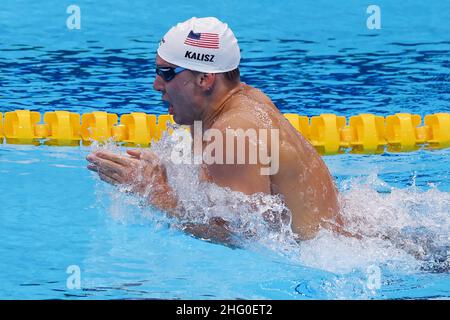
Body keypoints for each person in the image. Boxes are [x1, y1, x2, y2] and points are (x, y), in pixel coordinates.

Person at [87, 17, 347, 244]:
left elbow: (246, 235)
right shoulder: (241, 100)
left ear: (204, 78)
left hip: (331, 259)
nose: (156, 85)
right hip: (340, 238)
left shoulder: (231, 132)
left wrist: (157, 194)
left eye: (166, 73)